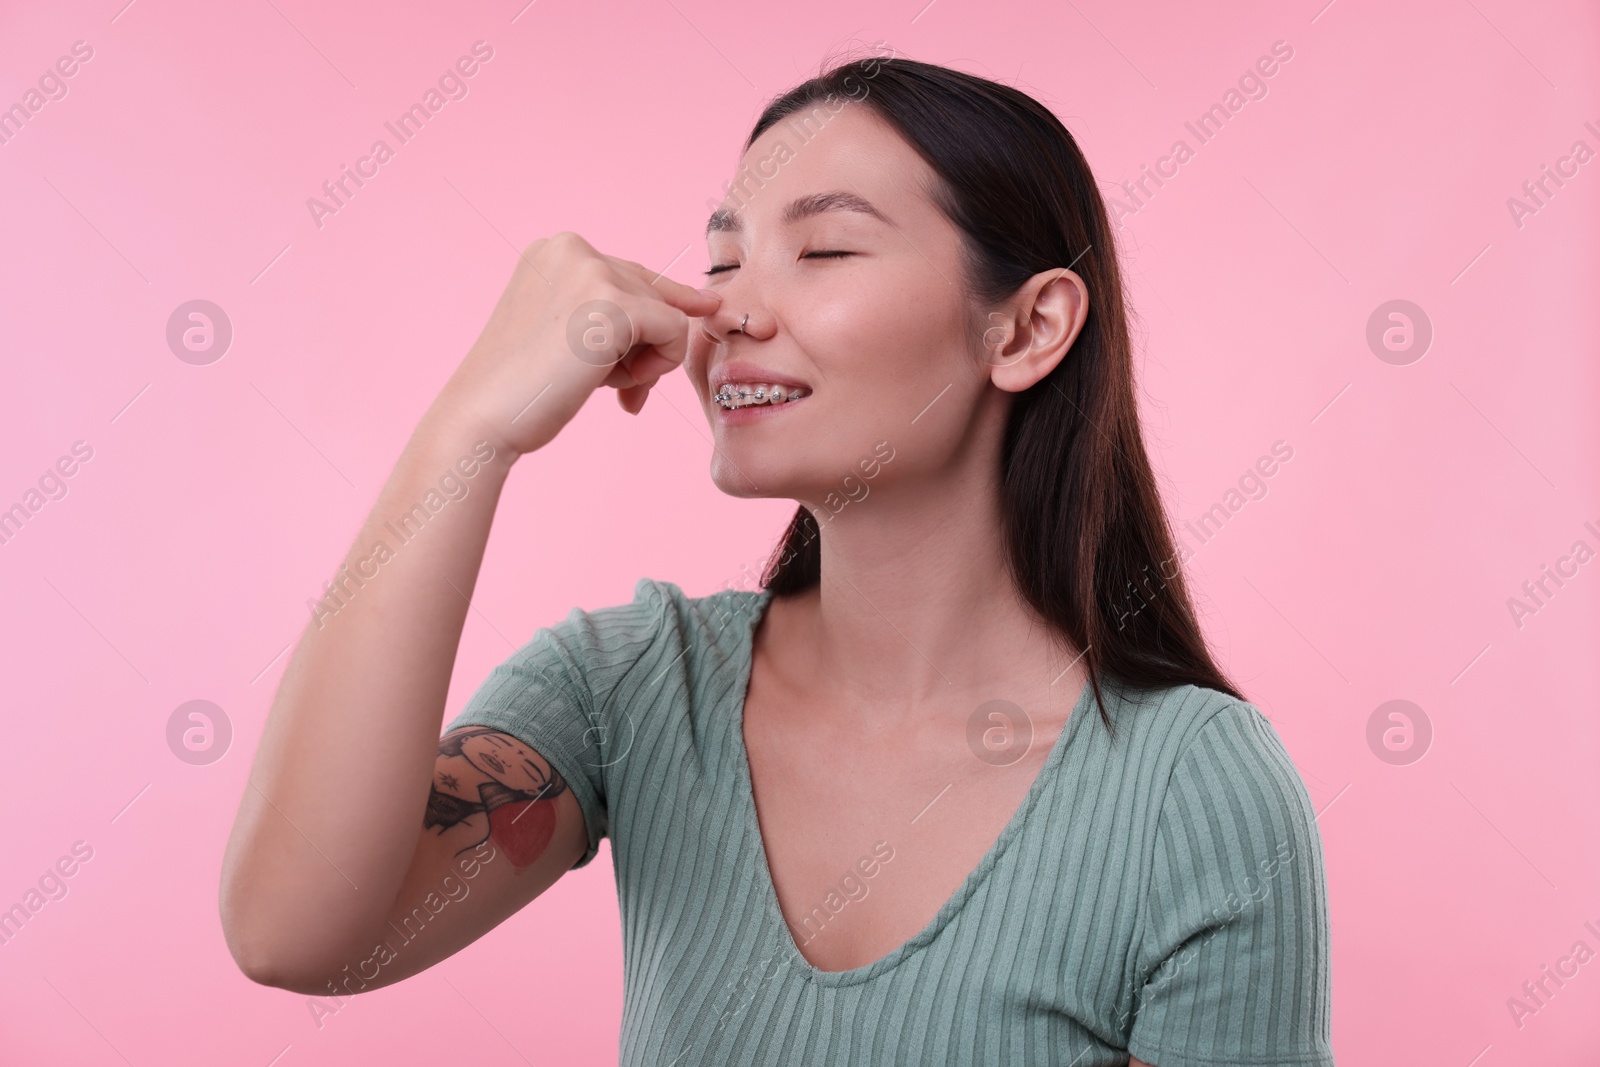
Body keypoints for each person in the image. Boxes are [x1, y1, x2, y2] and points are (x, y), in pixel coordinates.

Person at [220, 54, 1335, 1067]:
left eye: (824, 249)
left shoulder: (1194, 795)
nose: (731, 309)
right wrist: (469, 431)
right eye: (721, 257)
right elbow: (295, 928)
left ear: (1028, 327)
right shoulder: (630, 686)